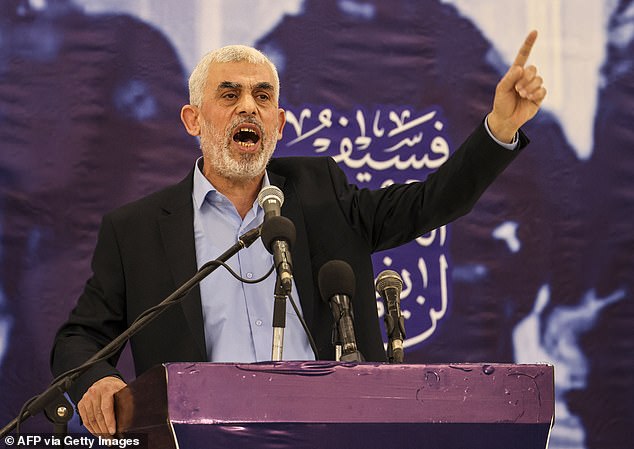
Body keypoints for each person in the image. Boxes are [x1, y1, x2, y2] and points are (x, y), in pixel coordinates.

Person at [50, 32, 546, 436]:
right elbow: (80, 338)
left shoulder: (322, 194)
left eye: (263, 97)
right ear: (192, 120)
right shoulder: (135, 230)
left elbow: (430, 203)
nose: (249, 107)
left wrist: (498, 129)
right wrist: (100, 379)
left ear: (280, 124)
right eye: (230, 94)